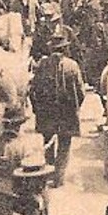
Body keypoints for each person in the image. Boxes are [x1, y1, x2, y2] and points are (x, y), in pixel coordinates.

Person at [29, 33, 85, 188]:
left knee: (48, 143)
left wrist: (37, 110)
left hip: (46, 112)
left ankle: (49, 172)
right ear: (65, 48)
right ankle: (59, 178)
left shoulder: (42, 65)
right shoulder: (72, 66)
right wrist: (75, 107)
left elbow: (32, 90)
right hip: (66, 112)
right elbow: (81, 92)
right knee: (64, 145)